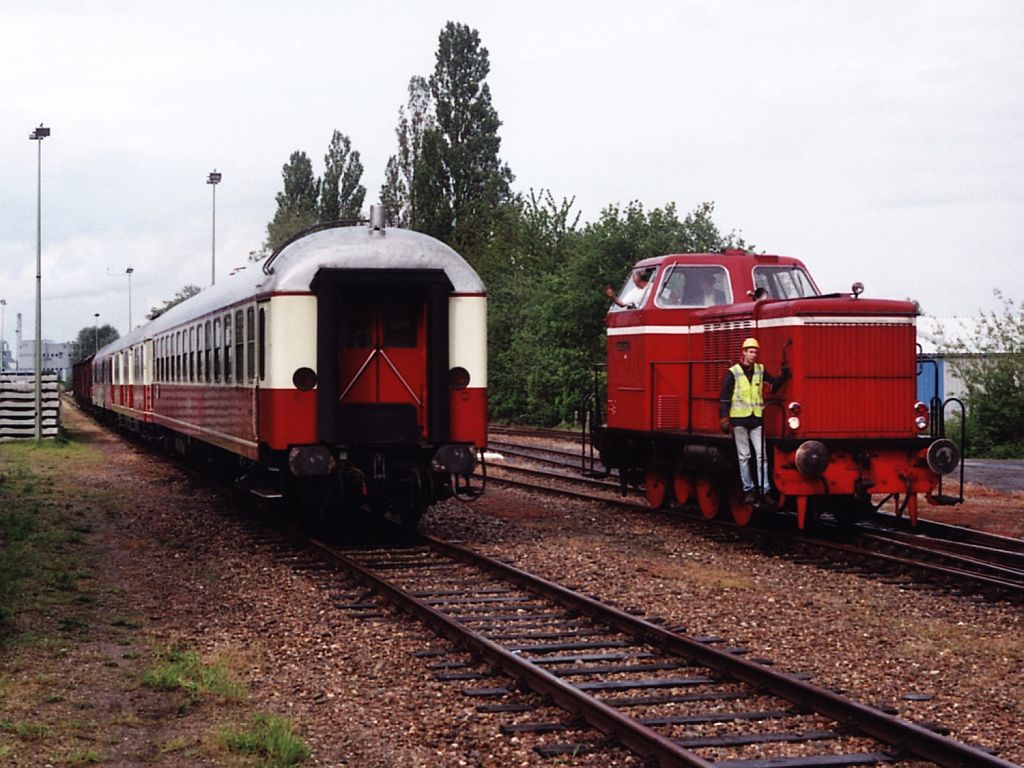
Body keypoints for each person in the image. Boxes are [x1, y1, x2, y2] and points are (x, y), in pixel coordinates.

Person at [719, 338, 790, 504]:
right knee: (744, 457)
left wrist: (782, 375)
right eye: (751, 352)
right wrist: (724, 418)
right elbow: (725, 397)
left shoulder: (760, 370)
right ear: (743, 352)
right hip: (739, 421)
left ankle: (765, 490)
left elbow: (773, 387)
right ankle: (749, 490)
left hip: (756, 420)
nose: (753, 355)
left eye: (755, 352)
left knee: (761, 456)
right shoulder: (733, 372)